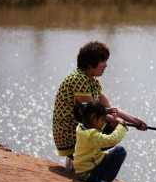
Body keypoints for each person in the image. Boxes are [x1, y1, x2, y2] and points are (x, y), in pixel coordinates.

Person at [52, 41, 146, 172]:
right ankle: (78, 159)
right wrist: (119, 123)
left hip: (80, 131)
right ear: (91, 63)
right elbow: (93, 115)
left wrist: (135, 121)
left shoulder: (93, 82)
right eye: (103, 61)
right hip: (68, 135)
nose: (106, 65)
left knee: (112, 124)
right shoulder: (79, 79)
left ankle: (83, 160)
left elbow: (111, 109)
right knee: (110, 127)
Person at [73, 101, 128, 182]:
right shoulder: (91, 135)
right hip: (88, 172)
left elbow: (98, 132)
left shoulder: (82, 127)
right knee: (120, 151)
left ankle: (99, 179)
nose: (103, 123)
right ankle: (102, 181)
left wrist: (113, 125)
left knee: (117, 151)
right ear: (94, 118)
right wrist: (122, 126)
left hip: (89, 164)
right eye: (102, 120)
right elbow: (112, 140)